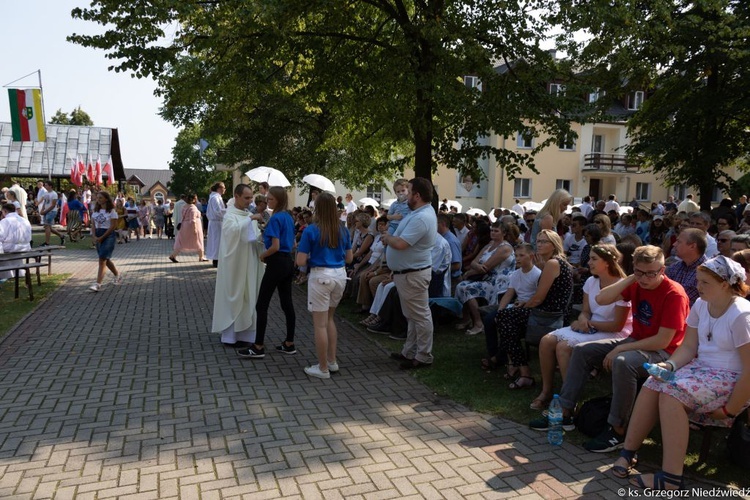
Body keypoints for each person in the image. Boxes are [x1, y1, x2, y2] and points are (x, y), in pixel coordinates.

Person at [529, 245, 690, 453]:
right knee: (582, 350)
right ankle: (565, 412)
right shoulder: (637, 283)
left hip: (664, 352)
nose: (646, 278)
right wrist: (632, 278)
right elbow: (601, 299)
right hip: (637, 341)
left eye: (652, 273)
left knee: (623, 363)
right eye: (640, 272)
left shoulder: (674, 294)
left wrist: (620, 350)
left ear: (662, 270)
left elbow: (662, 340)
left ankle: (618, 430)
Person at [611, 256, 750, 491]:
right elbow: (688, 347)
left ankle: (671, 477)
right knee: (654, 383)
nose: (698, 287)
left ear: (725, 284)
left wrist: (730, 409)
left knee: (671, 394)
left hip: (731, 378)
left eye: (705, 282)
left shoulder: (741, 315)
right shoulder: (701, 304)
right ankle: (628, 451)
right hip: (701, 371)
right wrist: (670, 366)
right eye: (698, 281)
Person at [531, 244, 632, 410]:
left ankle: (568, 399)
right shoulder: (591, 281)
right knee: (546, 341)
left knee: (563, 347)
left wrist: (587, 323)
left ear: (607, 262)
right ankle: (546, 391)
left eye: (594, 259)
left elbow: (618, 325)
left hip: (614, 332)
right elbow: (585, 311)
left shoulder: (622, 286)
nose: (589, 262)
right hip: (592, 327)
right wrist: (583, 319)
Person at [493, 229, 573, 388]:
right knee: (505, 319)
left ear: (554, 245)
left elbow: (538, 298)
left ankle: (522, 370)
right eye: (539, 241)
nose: (540, 244)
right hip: (547, 311)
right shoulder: (552, 263)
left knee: (504, 319)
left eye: (544, 241)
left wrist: (525, 304)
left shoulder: (552, 263)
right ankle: (518, 366)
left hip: (548, 315)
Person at [381, 177, 438, 369]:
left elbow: (402, 243)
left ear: (417, 195)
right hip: (407, 273)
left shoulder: (423, 217)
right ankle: (410, 351)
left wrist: (388, 238)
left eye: (409, 190)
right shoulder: (418, 213)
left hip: (413, 274)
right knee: (412, 316)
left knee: (420, 316)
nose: (405, 195)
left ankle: (423, 356)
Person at [296, 192, 353, 379]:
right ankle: (331, 361)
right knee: (329, 319)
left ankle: (322, 368)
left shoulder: (311, 230)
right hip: (340, 276)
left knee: (319, 325)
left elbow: (300, 260)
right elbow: (349, 257)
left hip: (321, 276)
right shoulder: (343, 229)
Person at [237, 186, 297, 359]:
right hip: (287, 262)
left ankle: (258, 346)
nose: (267, 202)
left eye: (270, 199)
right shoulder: (288, 217)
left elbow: (275, 246)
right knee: (287, 303)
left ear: (278, 200)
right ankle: (289, 343)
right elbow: (292, 244)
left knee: (261, 304)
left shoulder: (276, 217)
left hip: (276, 262)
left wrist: (263, 255)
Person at [212, 184, 265, 348]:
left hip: (249, 262)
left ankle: (247, 335)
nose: (250, 201)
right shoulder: (230, 215)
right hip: (234, 264)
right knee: (234, 295)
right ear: (236, 196)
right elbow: (231, 233)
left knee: (248, 296)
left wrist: (261, 232)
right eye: (246, 198)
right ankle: (230, 336)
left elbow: (255, 238)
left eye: (251, 198)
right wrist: (250, 220)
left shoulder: (248, 214)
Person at [454, 221, 515, 336]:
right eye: (492, 230)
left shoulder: (505, 248)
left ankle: (478, 323)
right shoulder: (489, 245)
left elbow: (486, 267)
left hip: (498, 281)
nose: (493, 233)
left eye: (496, 231)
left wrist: (469, 272)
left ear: (504, 233)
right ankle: (467, 318)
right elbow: (474, 262)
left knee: (467, 288)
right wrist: (476, 266)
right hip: (486, 277)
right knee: (461, 285)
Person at [89, 191, 123, 292]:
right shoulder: (95, 211)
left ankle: (98, 284)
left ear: (106, 199)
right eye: (97, 198)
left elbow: (112, 226)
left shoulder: (112, 211)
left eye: (100, 198)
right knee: (105, 259)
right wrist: (94, 236)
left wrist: (103, 237)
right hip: (98, 234)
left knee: (102, 259)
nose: (98, 200)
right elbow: (93, 225)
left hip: (108, 236)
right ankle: (117, 275)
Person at [169, 194, 207, 262]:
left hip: (184, 226)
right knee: (199, 240)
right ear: (194, 200)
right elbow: (193, 220)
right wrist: (194, 229)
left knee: (181, 241)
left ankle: (173, 255)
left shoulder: (184, 207)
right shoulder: (193, 208)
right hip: (192, 226)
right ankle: (201, 257)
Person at [0, 204, 32, 281]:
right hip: (25, 247)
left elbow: (0, 236)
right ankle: (17, 273)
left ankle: (6, 275)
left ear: (5, 211)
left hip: (11, 248)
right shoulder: (24, 220)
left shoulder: (5, 221)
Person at [206, 182, 227, 268]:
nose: (224, 190)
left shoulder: (215, 197)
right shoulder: (215, 198)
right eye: (223, 188)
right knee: (216, 241)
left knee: (216, 241)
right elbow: (217, 211)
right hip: (216, 222)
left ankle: (217, 259)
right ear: (219, 188)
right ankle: (216, 260)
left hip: (216, 222)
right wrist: (227, 212)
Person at [39, 181, 65, 246]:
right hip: (46, 211)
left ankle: (47, 242)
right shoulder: (46, 193)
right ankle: (61, 236)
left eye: (46, 185)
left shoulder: (54, 194)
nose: (45, 186)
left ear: (50, 186)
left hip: (52, 211)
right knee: (48, 227)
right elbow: (45, 203)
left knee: (47, 226)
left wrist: (45, 211)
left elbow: (53, 205)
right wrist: (42, 210)